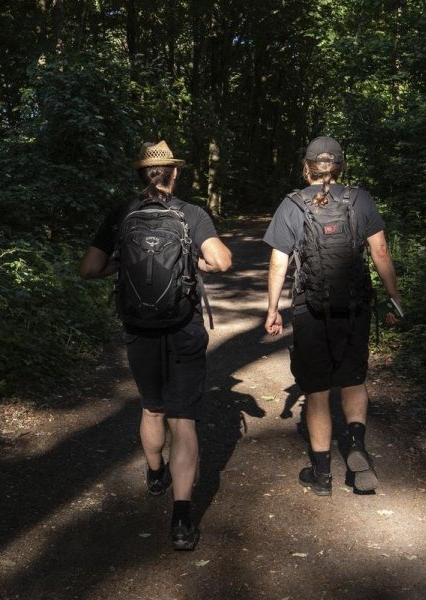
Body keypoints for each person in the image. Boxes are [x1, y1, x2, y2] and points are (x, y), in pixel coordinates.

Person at [80, 140, 232, 549]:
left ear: (140, 175)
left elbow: (89, 268)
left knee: (152, 407)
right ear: (174, 173)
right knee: (183, 420)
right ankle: (182, 519)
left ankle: (154, 474)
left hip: (138, 327)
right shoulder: (191, 214)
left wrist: (123, 263)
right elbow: (222, 261)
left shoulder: (121, 214)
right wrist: (192, 260)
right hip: (183, 326)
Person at [263, 136, 402, 496]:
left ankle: (321, 473)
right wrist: (395, 298)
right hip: (355, 304)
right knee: (353, 380)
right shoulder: (360, 199)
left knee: (317, 390)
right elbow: (380, 252)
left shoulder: (292, 204)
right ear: (341, 166)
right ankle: (356, 446)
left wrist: (272, 309)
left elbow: (279, 262)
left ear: (306, 167)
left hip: (310, 308)